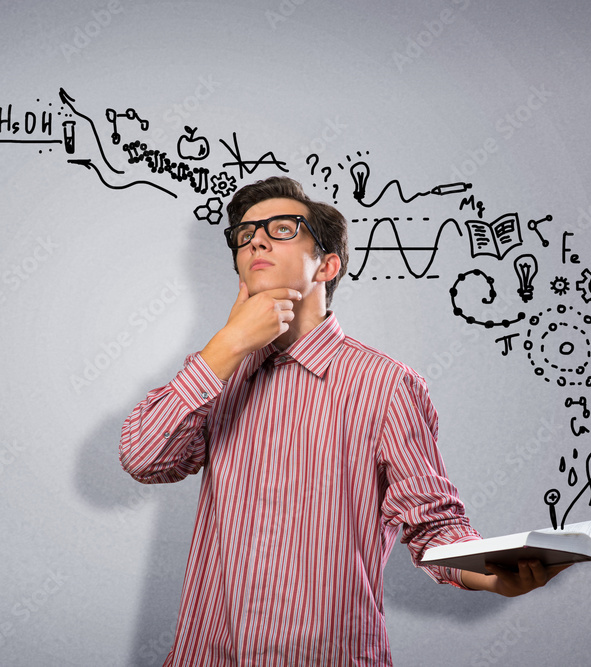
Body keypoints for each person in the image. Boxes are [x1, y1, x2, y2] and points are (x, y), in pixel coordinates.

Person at [119, 176, 568, 665]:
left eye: (282, 228)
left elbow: (433, 522)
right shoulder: (215, 370)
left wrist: (488, 572)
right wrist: (226, 345)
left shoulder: (387, 383)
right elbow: (143, 458)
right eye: (245, 234)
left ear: (327, 265)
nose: (257, 240)